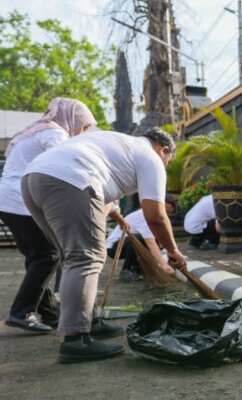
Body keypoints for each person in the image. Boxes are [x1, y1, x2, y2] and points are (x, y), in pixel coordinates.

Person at [22, 127, 187, 363]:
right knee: (85, 258)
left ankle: (89, 319)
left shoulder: (115, 141)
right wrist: (173, 251)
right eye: (167, 161)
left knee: (73, 257)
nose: (165, 165)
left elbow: (104, 203)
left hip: (34, 179)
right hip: (70, 179)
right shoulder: (151, 157)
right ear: (163, 150)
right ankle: (76, 340)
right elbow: (157, 216)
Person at [0, 98, 97, 333]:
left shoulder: (37, 131)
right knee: (49, 255)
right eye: (83, 126)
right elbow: (63, 166)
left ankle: (49, 312)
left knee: (38, 256)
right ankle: (21, 312)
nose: (82, 132)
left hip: (10, 199)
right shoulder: (54, 134)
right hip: (18, 199)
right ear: (72, 119)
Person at [106, 195, 177, 281]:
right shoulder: (144, 216)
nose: (167, 216)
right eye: (165, 212)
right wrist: (163, 264)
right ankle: (128, 270)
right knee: (142, 239)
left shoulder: (158, 219)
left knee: (155, 243)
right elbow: (150, 243)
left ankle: (139, 269)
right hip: (115, 247)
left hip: (129, 242)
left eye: (170, 213)